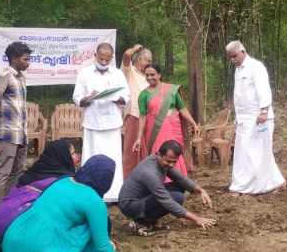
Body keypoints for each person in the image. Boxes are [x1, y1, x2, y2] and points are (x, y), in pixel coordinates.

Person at [1, 155, 134, 252]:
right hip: (37, 248)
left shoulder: (62, 181)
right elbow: (102, 245)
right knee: (91, 232)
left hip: (12, 237)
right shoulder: (93, 201)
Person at [0, 139, 81, 252]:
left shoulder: (36, 171)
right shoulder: (61, 181)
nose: (76, 157)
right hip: (15, 226)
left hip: (1, 221)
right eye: (72, 153)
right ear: (63, 157)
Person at [225, 40, 286, 195]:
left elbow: (263, 89)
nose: (233, 60)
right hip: (244, 119)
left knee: (257, 152)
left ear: (243, 51)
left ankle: (250, 185)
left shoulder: (256, 67)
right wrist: (237, 117)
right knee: (244, 152)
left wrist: (264, 111)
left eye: (234, 56)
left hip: (259, 117)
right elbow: (240, 95)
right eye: (230, 57)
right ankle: (273, 182)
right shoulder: (238, 70)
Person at [72, 43, 130, 202]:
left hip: (112, 122)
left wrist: (114, 97)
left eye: (107, 59)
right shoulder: (84, 73)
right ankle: (90, 193)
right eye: (101, 58)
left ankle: (114, 194)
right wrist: (86, 99)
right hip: (92, 122)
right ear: (95, 56)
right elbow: (77, 98)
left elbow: (126, 96)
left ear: (112, 58)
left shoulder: (118, 74)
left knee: (113, 158)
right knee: (92, 157)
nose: (104, 62)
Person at [119, 140, 215, 236]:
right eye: (168, 161)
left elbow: (180, 178)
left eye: (174, 162)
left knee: (179, 186)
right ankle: (141, 221)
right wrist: (196, 219)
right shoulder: (150, 173)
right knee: (177, 197)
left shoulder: (160, 162)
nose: (171, 165)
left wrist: (200, 190)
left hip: (143, 197)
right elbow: (166, 201)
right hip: (130, 205)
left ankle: (149, 219)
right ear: (159, 154)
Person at [0, 41, 32, 210]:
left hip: (21, 133)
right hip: (7, 133)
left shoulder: (21, 78)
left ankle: (8, 206)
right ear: (14, 58)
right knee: (3, 172)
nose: (28, 63)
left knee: (17, 171)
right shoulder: (2, 76)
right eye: (25, 59)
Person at [132, 64, 199, 177]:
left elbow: (182, 109)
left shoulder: (171, 90)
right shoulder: (143, 95)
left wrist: (194, 123)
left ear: (159, 75)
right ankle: (157, 181)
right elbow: (142, 116)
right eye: (147, 75)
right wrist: (138, 138)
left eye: (152, 74)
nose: (149, 78)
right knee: (158, 152)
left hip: (172, 127)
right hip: (154, 130)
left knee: (174, 151)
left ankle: (177, 181)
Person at [121, 44, 152, 178]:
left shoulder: (148, 76)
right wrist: (134, 49)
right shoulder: (129, 71)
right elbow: (127, 56)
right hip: (134, 115)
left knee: (147, 152)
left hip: (148, 117)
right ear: (138, 59)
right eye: (147, 60)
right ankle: (128, 180)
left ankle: (146, 180)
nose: (149, 63)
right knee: (132, 152)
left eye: (150, 61)